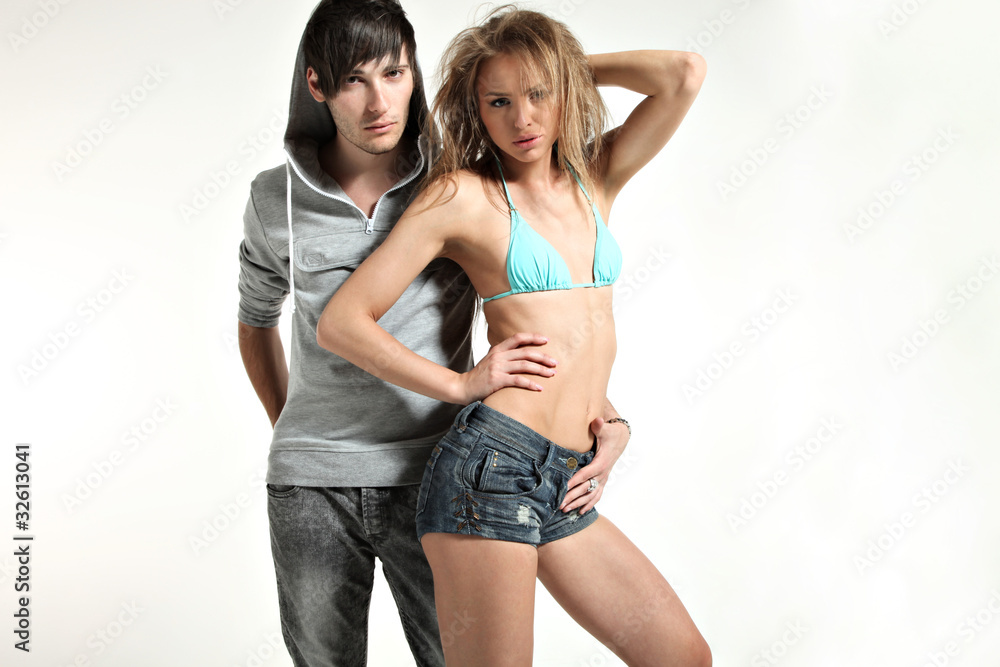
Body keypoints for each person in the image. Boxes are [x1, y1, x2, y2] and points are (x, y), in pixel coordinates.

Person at [236, 2, 632, 665]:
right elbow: (256, 325)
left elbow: (538, 310)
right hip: (310, 482)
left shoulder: (454, 181)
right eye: (353, 80)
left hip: (434, 467)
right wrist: (296, 427)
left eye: (393, 74)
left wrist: (603, 412)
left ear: (415, 74)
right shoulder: (274, 199)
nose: (377, 101)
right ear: (317, 85)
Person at [317, 6, 710, 666]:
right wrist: (460, 382)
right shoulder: (462, 196)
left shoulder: (596, 177)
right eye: (498, 100)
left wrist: (610, 422)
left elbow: (684, 75)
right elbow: (341, 321)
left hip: (567, 473)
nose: (522, 119)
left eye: (538, 95)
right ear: (477, 109)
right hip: (489, 472)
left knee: (681, 656)